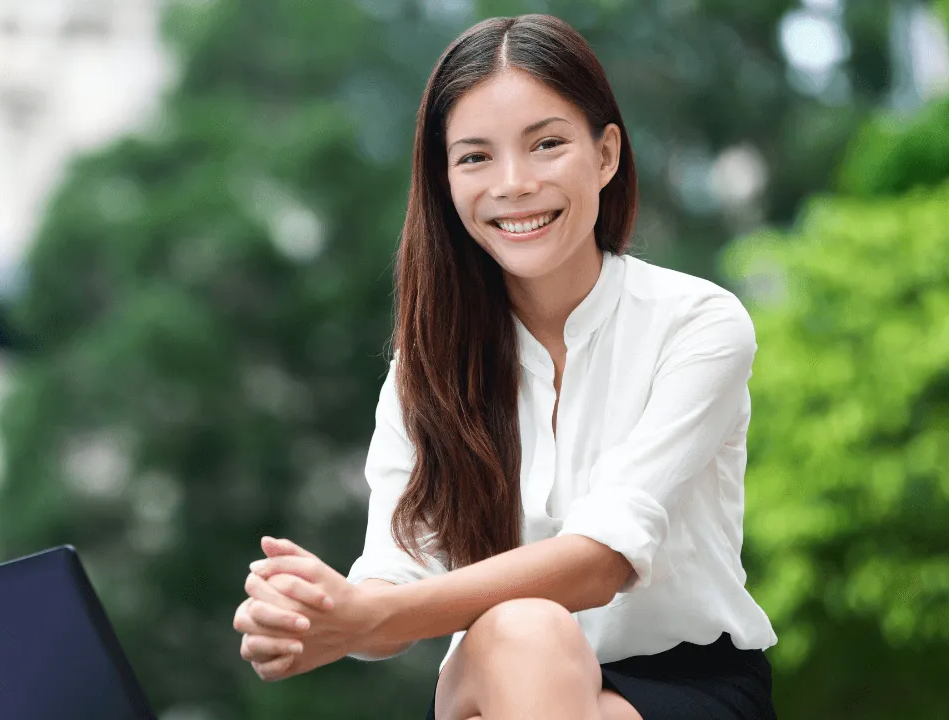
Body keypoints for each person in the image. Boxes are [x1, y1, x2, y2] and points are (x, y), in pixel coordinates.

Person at [231, 13, 777, 720]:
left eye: (546, 144)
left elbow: (602, 558)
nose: (513, 184)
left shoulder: (698, 324)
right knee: (524, 629)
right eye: (475, 157)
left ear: (606, 154)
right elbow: (395, 574)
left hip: (691, 689)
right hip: (494, 674)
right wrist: (314, 611)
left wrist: (371, 618)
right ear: (445, 180)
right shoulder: (422, 374)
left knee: (542, 641)